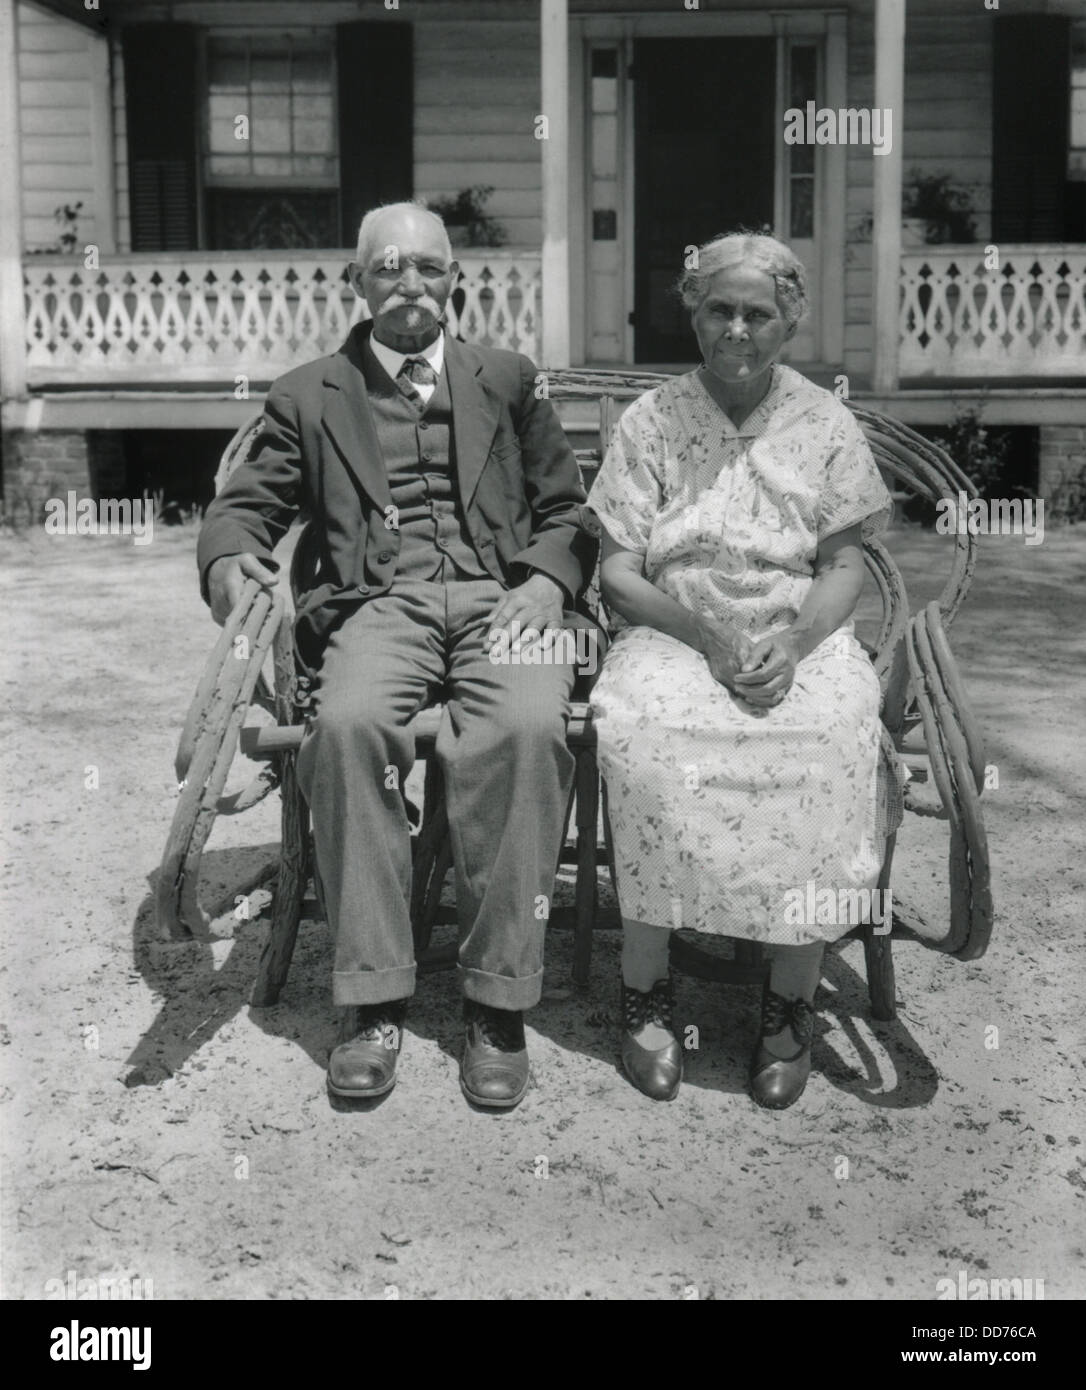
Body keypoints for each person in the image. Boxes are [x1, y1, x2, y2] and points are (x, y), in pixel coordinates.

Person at [198, 202, 597, 1109]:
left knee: (531, 729)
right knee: (342, 729)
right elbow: (244, 507)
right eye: (388, 269)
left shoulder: (505, 378)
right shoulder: (309, 392)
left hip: (503, 598)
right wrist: (228, 561)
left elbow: (570, 510)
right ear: (358, 283)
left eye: (428, 268)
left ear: (456, 280)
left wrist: (545, 581)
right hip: (377, 605)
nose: (409, 285)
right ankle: (374, 996)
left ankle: (496, 1003)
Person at [586, 231, 894, 1109]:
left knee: (830, 734)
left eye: (758, 313)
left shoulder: (825, 422)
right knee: (644, 733)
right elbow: (617, 570)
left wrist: (794, 644)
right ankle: (648, 995)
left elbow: (843, 564)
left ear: (789, 320)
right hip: (675, 630)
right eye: (719, 309)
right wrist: (707, 637)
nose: (737, 329)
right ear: (694, 311)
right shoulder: (653, 420)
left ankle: (786, 1008)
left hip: (795, 629)